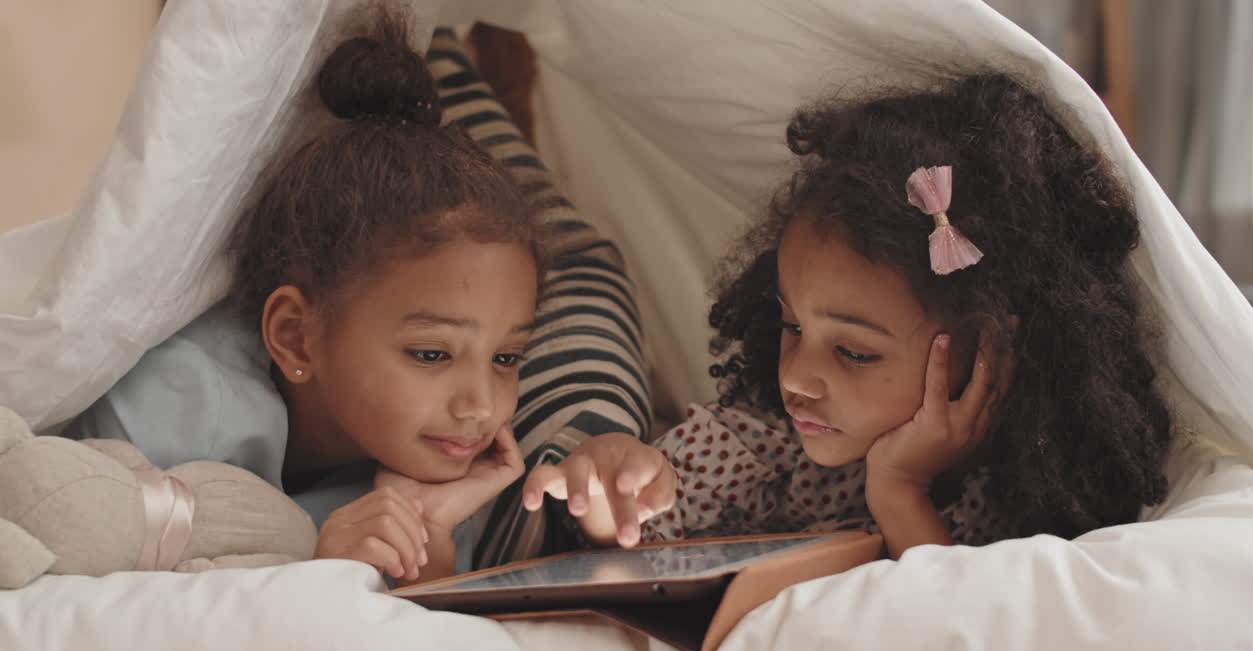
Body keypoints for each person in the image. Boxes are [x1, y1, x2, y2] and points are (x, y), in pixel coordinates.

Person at [524, 73, 1173, 560]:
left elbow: (959, 627)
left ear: (986, 353)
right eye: (791, 326)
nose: (798, 377)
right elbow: (631, 536)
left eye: (854, 352)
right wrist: (608, 493)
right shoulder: (753, 448)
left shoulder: (1034, 483)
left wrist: (900, 493)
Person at [68, 6, 546, 583]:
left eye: (506, 358)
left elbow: (427, 630)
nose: (480, 406)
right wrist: (304, 563)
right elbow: (92, 553)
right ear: (295, 336)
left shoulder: (429, 464)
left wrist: (429, 529)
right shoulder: (171, 406)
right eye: (431, 354)